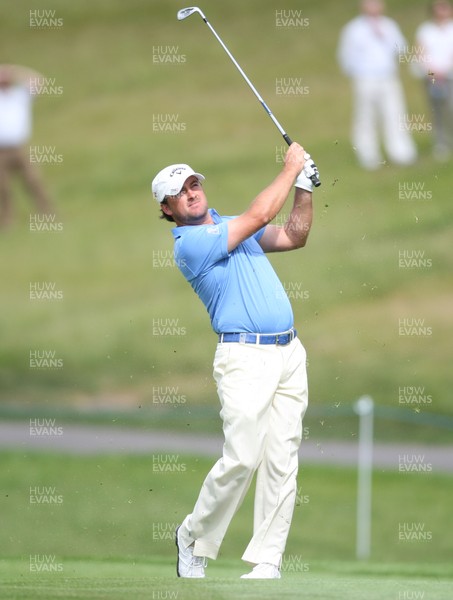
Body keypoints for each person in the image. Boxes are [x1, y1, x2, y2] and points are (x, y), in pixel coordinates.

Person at [151, 143, 316, 579]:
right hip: (243, 357)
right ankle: (192, 535)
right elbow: (261, 216)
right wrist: (290, 167)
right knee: (242, 457)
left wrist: (303, 188)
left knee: (282, 458)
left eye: (192, 184)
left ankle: (268, 560)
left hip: (288, 353)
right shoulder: (191, 244)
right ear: (167, 210)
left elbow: (294, 235)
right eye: (179, 193)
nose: (190, 193)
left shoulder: (228, 226)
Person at [337, 0, 417, 170]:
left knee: (395, 114)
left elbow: (402, 48)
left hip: (388, 77)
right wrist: (357, 73)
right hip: (365, 79)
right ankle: (368, 156)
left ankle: (401, 152)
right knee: (365, 117)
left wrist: (385, 36)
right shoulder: (353, 29)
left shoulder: (389, 26)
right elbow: (345, 55)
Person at [0, 64, 53, 228]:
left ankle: (48, 216)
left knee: (34, 181)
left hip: (20, 148)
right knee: (3, 188)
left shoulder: (20, 95)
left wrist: (14, 70)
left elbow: (40, 81)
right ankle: (6, 223)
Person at [414, 0, 453, 160]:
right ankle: (441, 143)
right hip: (431, 77)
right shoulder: (425, 30)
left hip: (450, 76)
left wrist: (446, 69)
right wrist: (432, 71)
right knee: (436, 111)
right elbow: (419, 52)